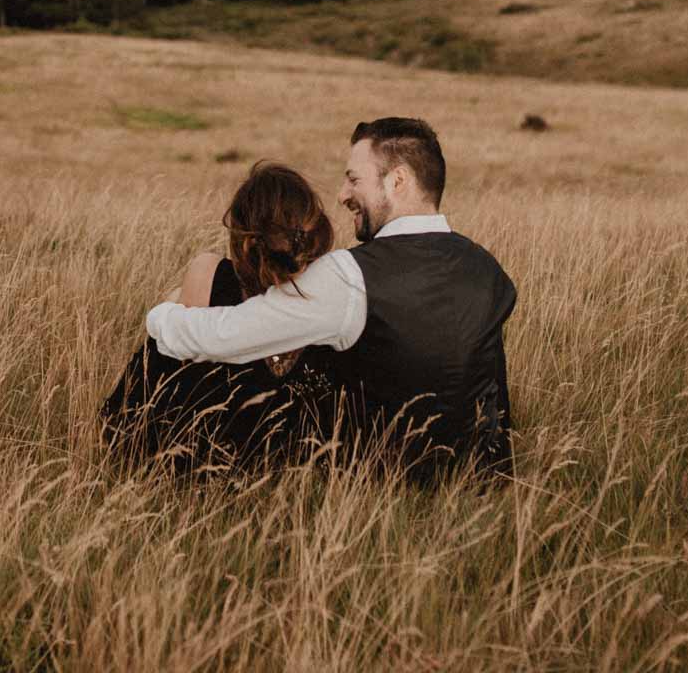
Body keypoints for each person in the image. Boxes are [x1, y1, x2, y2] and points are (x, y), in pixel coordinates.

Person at [144, 118, 517, 481]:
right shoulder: (487, 268)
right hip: (479, 477)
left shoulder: (350, 276)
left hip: (377, 480)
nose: (342, 195)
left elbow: (219, 337)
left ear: (398, 180)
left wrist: (164, 311)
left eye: (354, 179)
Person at [101, 161, 341, 469]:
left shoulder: (210, 272)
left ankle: (124, 439)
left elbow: (183, 372)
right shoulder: (331, 286)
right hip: (287, 451)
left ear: (244, 239)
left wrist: (168, 307)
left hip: (202, 448)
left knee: (170, 324)